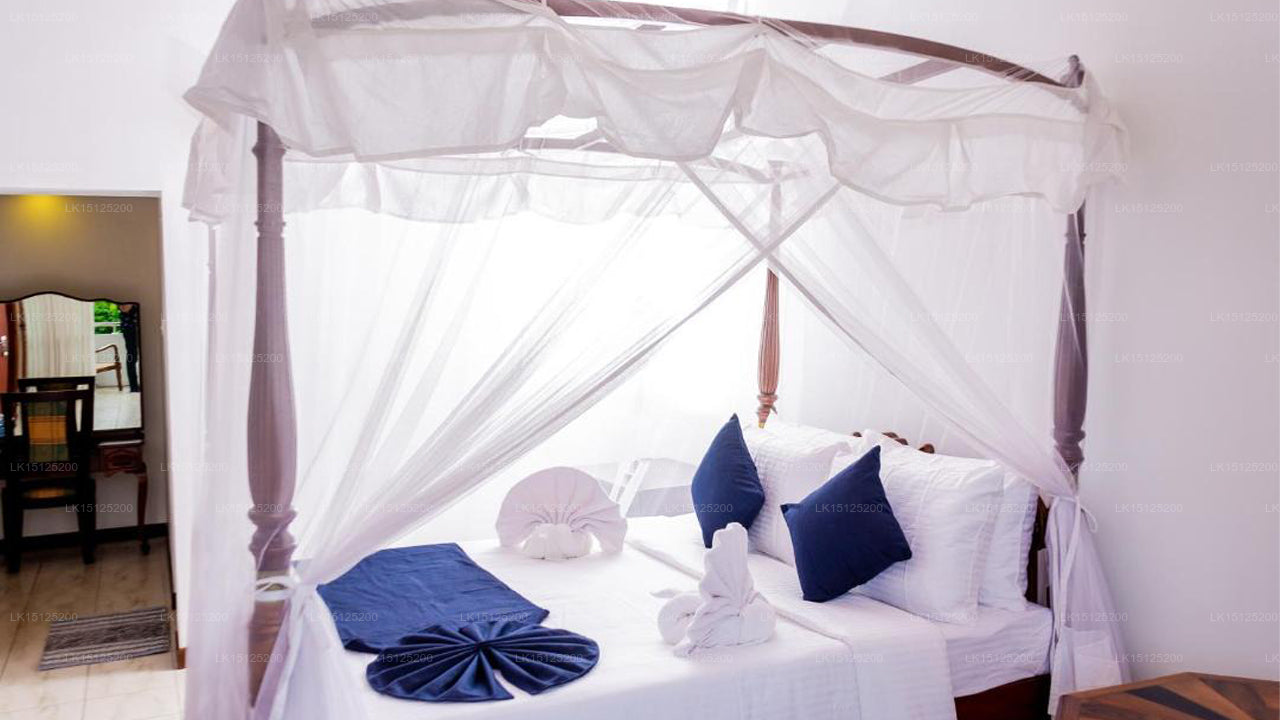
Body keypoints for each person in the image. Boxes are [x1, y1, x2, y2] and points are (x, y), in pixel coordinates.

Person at [118, 303, 141, 392]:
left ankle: (137, 385)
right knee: (131, 357)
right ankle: (133, 386)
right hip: (129, 330)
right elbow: (124, 308)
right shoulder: (123, 298)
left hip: (138, 328)